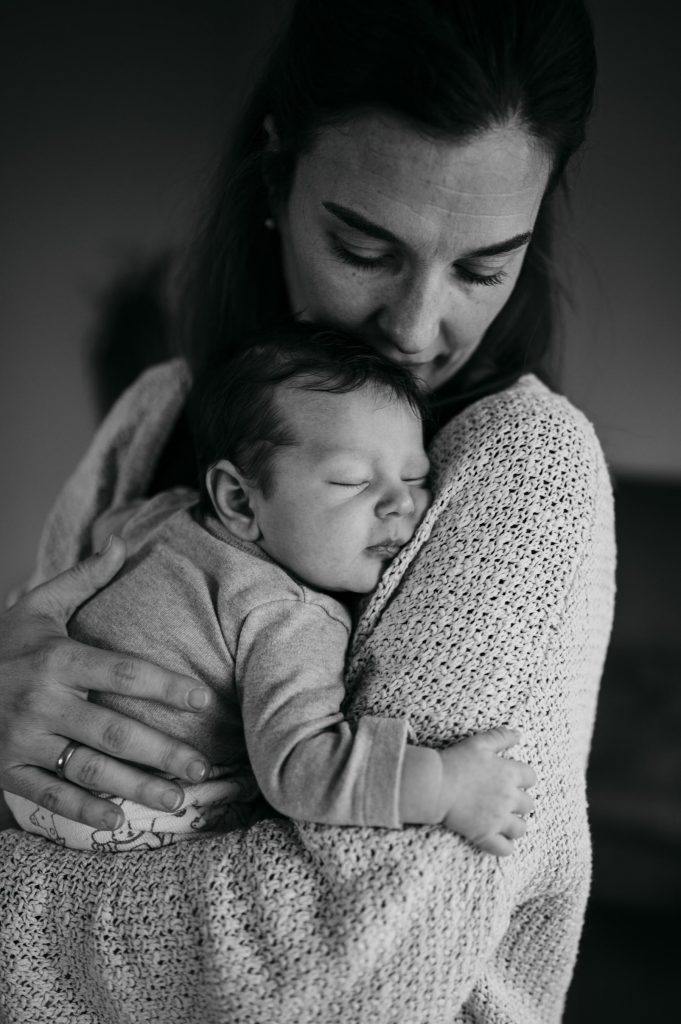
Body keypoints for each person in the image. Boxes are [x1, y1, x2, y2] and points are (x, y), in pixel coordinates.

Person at [0, 1, 615, 1021]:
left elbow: (342, 968)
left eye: (482, 266)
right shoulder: (157, 411)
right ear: (279, 177)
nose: (417, 329)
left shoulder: (524, 475)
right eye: (365, 248)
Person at [5, 326, 535, 852]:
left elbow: (96, 539)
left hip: (30, 771)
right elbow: (300, 767)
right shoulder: (288, 614)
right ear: (238, 500)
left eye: (417, 477)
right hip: (123, 817)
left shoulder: (157, 513)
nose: (400, 503)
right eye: (353, 480)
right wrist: (445, 785)